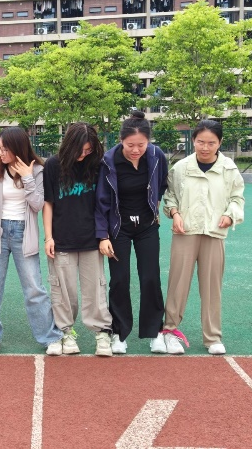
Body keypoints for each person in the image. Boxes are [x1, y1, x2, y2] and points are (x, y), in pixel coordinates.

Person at [162, 119, 244, 355]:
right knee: (177, 283)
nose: (205, 147)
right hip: (185, 232)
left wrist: (229, 215)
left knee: (211, 287)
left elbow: (237, 198)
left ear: (220, 143)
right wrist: (175, 213)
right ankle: (170, 331)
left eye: (211, 143)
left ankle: (213, 337)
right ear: (193, 141)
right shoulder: (180, 168)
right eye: (200, 142)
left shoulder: (229, 169)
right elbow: (170, 196)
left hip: (214, 233)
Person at [0, 126, 64, 355]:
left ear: (18, 147)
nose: (0, 153)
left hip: (23, 233)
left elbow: (37, 205)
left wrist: (27, 177)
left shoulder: (37, 171)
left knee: (34, 287)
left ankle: (50, 337)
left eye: (4, 149)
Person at [95, 110, 168, 354]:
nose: (136, 150)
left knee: (150, 278)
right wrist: (103, 236)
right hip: (119, 228)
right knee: (119, 280)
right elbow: (101, 201)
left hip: (147, 226)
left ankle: (155, 332)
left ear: (148, 142)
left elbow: (162, 183)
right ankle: (119, 333)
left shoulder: (156, 156)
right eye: (130, 145)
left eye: (141, 145)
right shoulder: (108, 161)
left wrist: (155, 206)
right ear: (121, 141)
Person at [43, 122, 113, 357]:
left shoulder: (97, 164)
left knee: (96, 289)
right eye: (80, 150)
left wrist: (103, 236)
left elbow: (103, 203)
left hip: (91, 239)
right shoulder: (53, 165)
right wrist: (48, 237)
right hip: (62, 238)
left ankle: (101, 332)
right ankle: (65, 331)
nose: (83, 155)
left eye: (88, 150)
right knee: (64, 291)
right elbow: (48, 203)